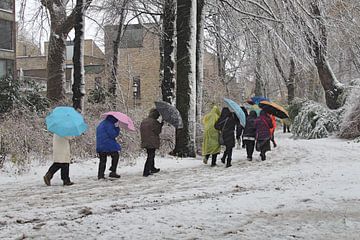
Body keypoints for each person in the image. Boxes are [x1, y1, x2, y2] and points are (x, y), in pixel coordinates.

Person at [96, 115, 121, 180]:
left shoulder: (101, 124)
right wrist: (117, 128)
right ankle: (113, 171)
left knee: (102, 160)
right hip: (107, 144)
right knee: (116, 155)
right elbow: (113, 134)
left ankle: (100, 175)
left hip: (100, 145)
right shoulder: (109, 124)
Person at [140, 108, 163, 177]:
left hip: (145, 140)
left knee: (150, 154)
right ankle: (146, 171)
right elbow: (157, 131)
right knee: (150, 156)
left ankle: (152, 168)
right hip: (152, 141)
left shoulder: (144, 121)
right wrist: (161, 125)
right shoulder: (154, 122)